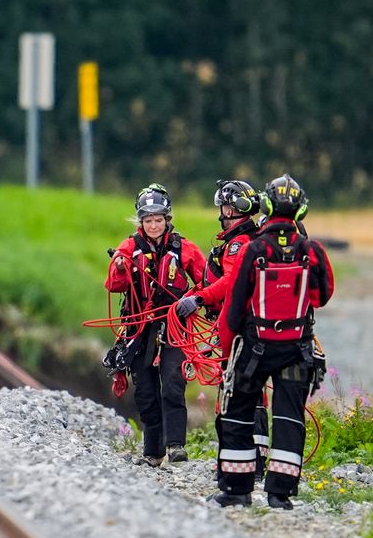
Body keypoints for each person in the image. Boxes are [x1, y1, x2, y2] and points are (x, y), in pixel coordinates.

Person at [209, 174, 335, 509]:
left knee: (238, 413)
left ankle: (237, 491)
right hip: (297, 349)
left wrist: (230, 343)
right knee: (289, 418)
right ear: (301, 210)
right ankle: (280, 495)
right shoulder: (313, 251)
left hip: (255, 348)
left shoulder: (254, 249)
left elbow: (235, 306)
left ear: (264, 206)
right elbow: (322, 296)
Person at [104, 184, 209, 466]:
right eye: (148, 220)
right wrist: (120, 268)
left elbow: (205, 283)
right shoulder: (128, 248)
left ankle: (176, 445)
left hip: (175, 327)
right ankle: (152, 452)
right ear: (141, 221)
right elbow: (113, 285)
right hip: (139, 329)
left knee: (173, 384)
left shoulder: (183, 248)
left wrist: (192, 300)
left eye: (158, 219)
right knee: (145, 390)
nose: (153, 225)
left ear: (167, 220)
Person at [177, 179, 268, 471]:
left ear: (234, 208)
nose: (222, 211)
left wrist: (200, 299)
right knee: (247, 392)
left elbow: (230, 283)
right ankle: (252, 458)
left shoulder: (238, 244)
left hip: (239, 329)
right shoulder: (241, 241)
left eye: (225, 206)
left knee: (235, 392)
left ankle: (240, 460)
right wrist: (195, 294)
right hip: (245, 326)